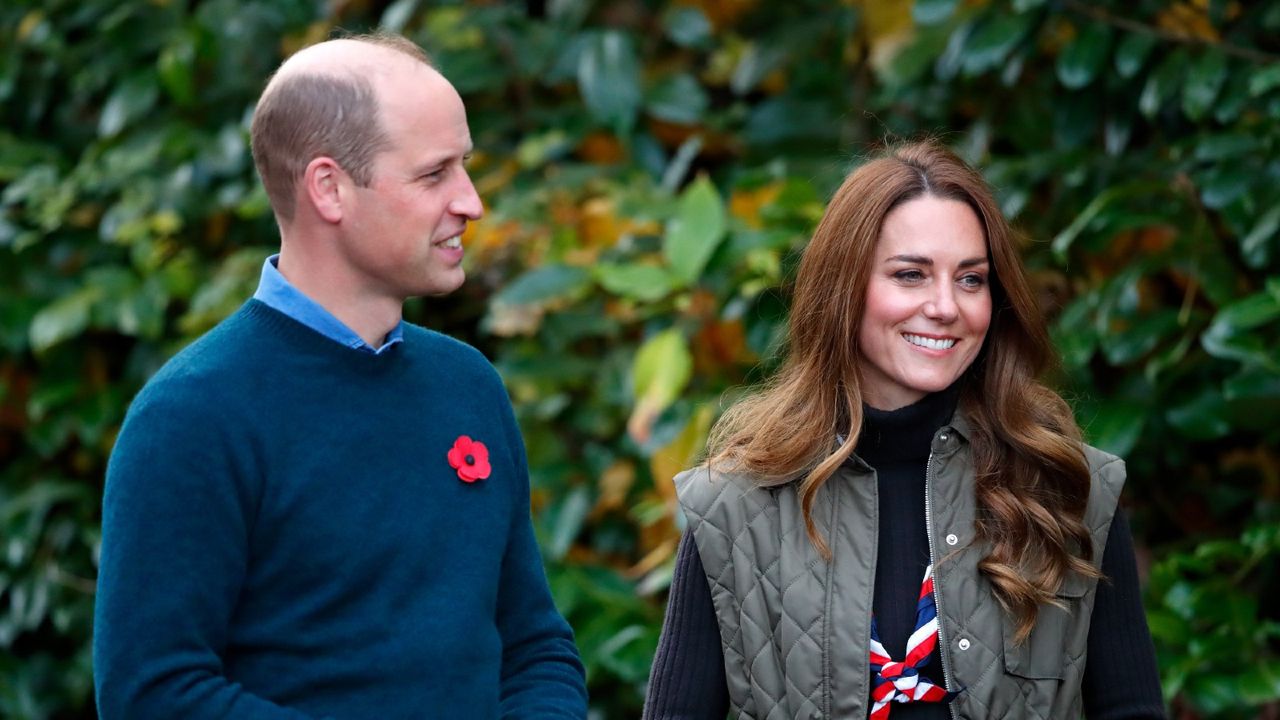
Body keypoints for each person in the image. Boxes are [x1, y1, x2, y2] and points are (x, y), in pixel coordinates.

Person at [93, 33, 587, 719]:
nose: (471, 202)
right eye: (434, 174)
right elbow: (153, 694)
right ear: (329, 188)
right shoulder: (190, 418)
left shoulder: (467, 384)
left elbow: (533, 646)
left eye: (464, 167)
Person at [643, 141, 1165, 719]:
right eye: (911, 275)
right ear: (844, 289)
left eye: (970, 279)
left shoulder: (1069, 488)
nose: (945, 306)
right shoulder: (736, 505)